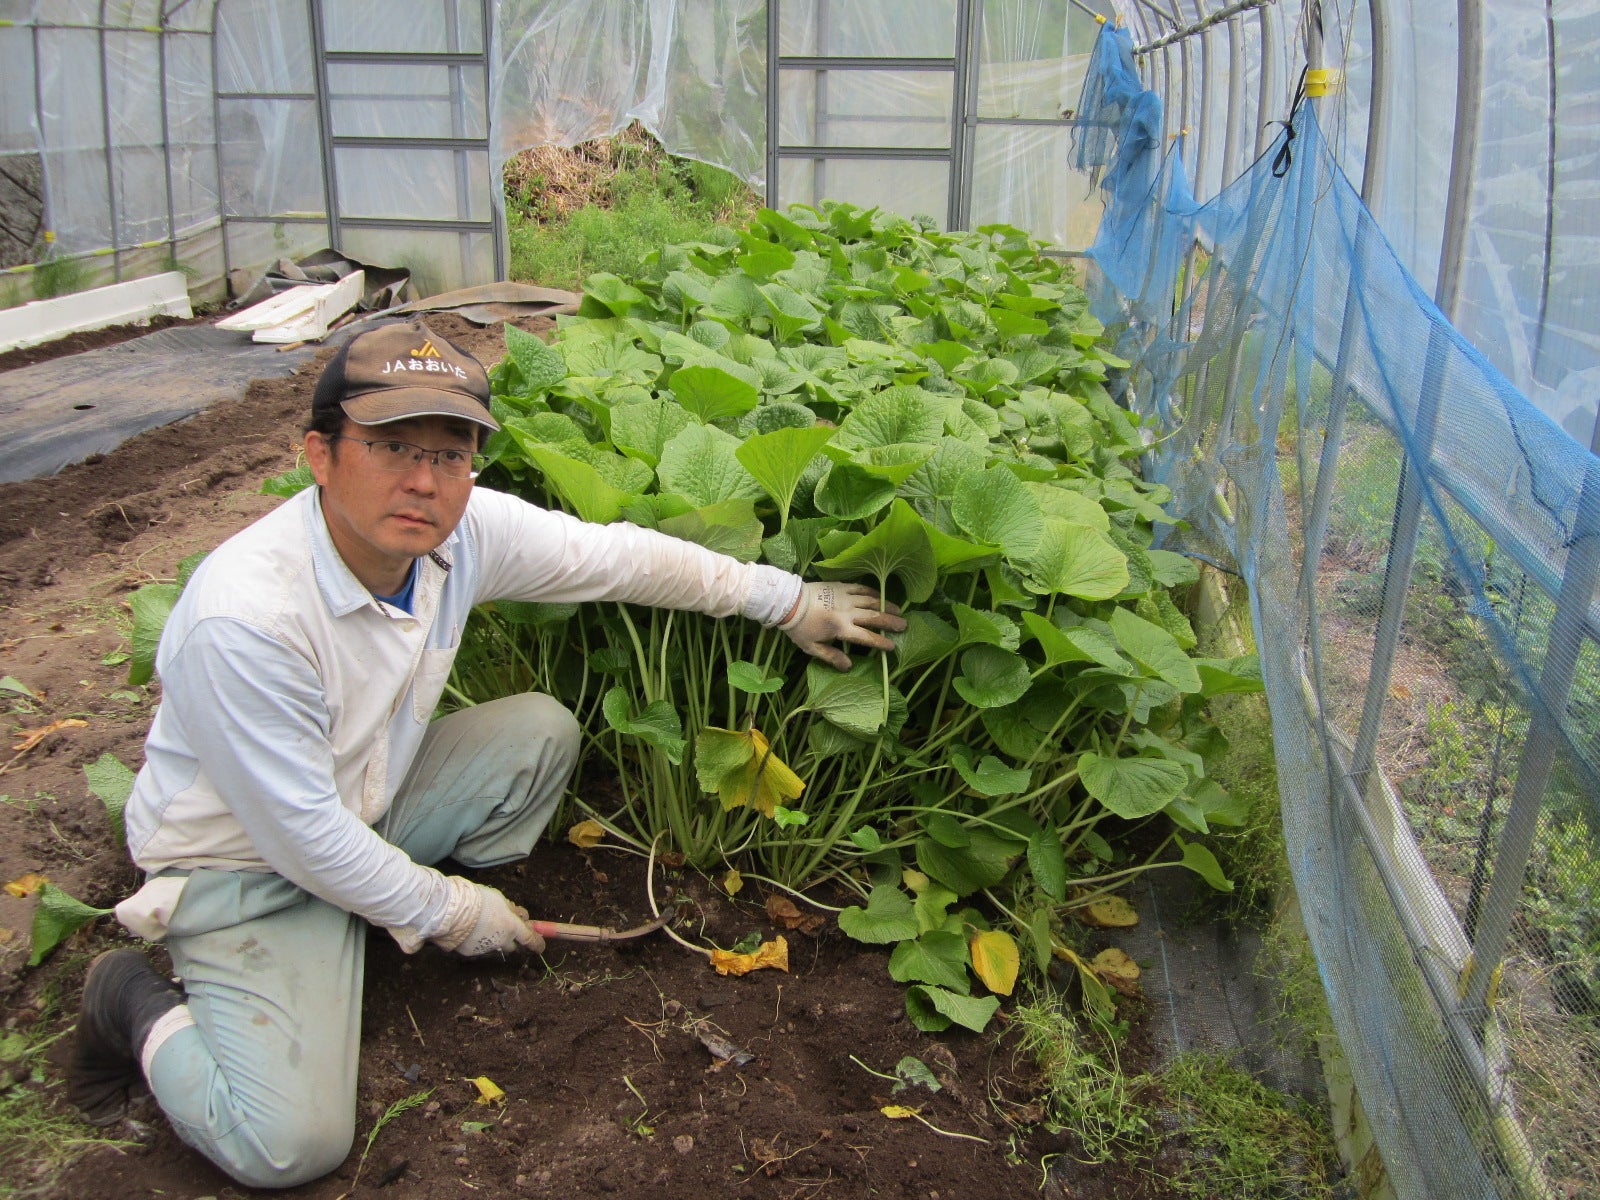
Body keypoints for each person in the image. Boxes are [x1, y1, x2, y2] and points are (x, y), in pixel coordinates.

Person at [68, 320, 905, 1188]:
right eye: (391, 447)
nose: (424, 480)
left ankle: (368, 918)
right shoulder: (246, 619)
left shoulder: (461, 535)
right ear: (320, 454)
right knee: (289, 1146)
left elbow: (620, 558)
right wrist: (455, 913)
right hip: (243, 866)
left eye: (452, 453)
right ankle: (131, 999)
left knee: (539, 731)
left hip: (361, 801)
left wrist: (788, 600)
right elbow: (301, 838)